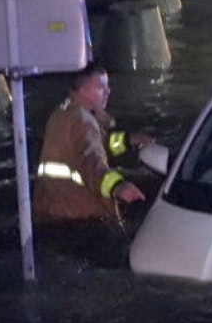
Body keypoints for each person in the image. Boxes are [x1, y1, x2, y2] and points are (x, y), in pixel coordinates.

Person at [33, 62, 153, 261]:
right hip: (77, 215)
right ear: (82, 89)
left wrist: (128, 140)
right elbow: (92, 164)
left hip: (52, 207)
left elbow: (97, 146)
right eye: (101, 87)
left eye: (107, 86)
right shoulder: (83, 122)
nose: (108, 91)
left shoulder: (66, 110)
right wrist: (119, 186)